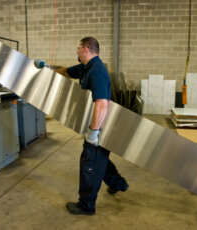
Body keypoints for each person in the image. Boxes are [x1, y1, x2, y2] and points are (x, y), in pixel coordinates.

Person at [35, 37, 128, 215]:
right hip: (99, 124)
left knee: (89, 162)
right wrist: (49, 68)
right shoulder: (86, 67)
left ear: (86, 48)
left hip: (100, 125)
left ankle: (86, 205)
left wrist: (93, 132)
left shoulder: (97, 71)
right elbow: (66, 72)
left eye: (77, 48)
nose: (76, 51)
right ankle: (119, 184)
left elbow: (102, 103)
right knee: (100, 160)